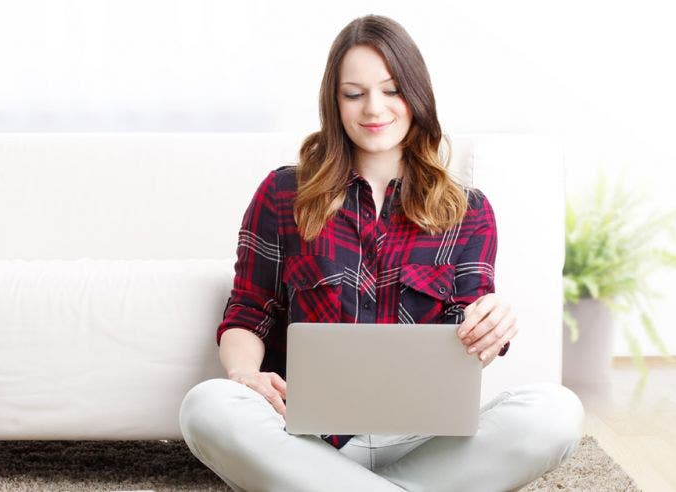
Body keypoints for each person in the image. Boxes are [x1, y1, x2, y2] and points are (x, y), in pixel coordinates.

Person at [179, 14, 584, 492]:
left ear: (417, 95)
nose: (374, 109)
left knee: (557, 413)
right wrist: (245, 375)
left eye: (392, 90)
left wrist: (489, 326)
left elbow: (467, 340)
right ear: (334, 102)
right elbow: (248, 311)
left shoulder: (467, 210)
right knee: (205, 406)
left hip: (422, 439)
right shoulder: (284, 192)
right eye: (354, 94)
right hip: (305, 436)